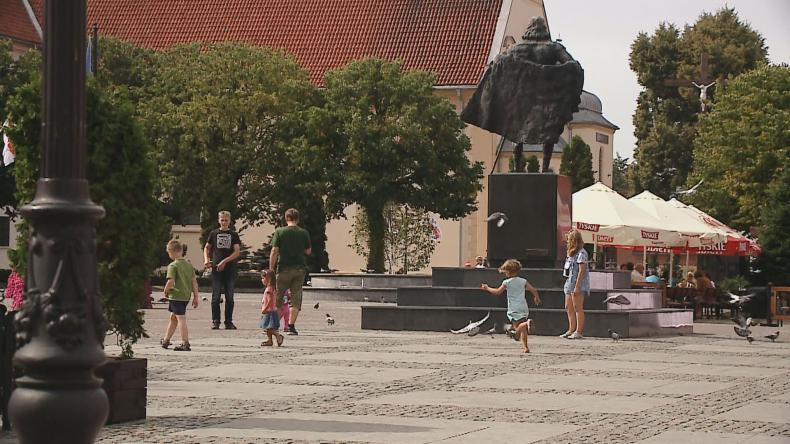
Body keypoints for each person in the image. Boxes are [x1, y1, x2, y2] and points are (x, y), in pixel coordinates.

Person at [480, 259, 541, 353]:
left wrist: (487, 288)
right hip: (523, 306)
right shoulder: (523, 281)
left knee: (518, 327)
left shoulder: (506, 282)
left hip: (513, 308)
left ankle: (525, 325)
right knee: (523, 329)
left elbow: (497, 292)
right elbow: (533, 290)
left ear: (508, 271)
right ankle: (525, 347)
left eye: (505, 272)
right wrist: (536, 298)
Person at [269, 208, 312, 335]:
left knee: (278, 298)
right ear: (298, 219)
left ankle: (274, 326)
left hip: (283, 269)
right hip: (299, 269)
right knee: (295, 298)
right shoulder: (303, 232)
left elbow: (274, 251)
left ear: (286, 218)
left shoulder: (279, 232)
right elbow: (308, 251)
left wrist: (271, 268)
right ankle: (291, 326)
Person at [204, 210, 241, 330]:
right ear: (218, 220)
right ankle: (215, 321)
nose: (224, 222)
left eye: (226, 220)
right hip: (216, 269)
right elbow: (207, 247)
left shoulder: (233, 235)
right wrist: (207, 259)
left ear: (229, 221)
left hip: (230, 269)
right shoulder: (213, 233)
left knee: (229, 297)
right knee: (216, 297)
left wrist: (225, 261)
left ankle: (228, 322)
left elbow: (237, 252)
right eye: (222, 220)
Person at [161, 240, 199, 351]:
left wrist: (165, 290)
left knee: (181, 318)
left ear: (170, 252)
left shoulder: (173, 265)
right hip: (186, 296)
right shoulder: (189, 265)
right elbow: (194, 282)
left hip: (176, 295)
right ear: (181, 251)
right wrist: (196, 297)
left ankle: (185, 342)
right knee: (173, 317)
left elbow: (171, 281)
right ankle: (166, 340)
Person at [560, 229, 589, 339]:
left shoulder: (582, 253)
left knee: (577, 307)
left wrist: (577, 286)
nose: (567, 242)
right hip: (569, 282)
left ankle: (578, 331)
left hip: (577, 283)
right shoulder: (571, 253)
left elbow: (582, 270)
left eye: (569, 240)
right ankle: (571, 329)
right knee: (568, 306)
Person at [260, 269, 284, 347]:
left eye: (263, 278)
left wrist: (265, 308)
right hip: (272, 310)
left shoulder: (269, 289)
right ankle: (269, 340)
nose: (262, 280)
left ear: (269, 279)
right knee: (268, 327)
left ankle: (278, 336)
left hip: (269, 311)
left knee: (268, 328)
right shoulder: (272, 288)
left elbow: (270, 300)